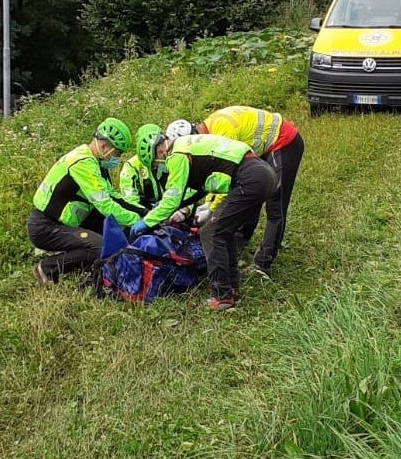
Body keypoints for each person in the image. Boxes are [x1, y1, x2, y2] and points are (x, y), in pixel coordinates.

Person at [132, 127, 277, 311]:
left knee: (210, 233)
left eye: (155, 164)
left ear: (160, 152)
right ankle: (230, 288)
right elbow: (195, 191)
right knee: (224, 231)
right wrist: (169, 209)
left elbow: (172, 198)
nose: (160, 167)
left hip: (250, 179)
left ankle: (222, 295)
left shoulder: (176, 155)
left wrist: (147, 221)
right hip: (263, 173)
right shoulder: (187, 147)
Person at [170, 105, 304, 278]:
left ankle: (263, 264)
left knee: (275, 204)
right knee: (250, 191)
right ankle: (242, 238)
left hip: (284, 140)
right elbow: (214, 177)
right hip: (261, 149)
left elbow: (225, 174)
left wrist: (211, 208)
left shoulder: (223, 131)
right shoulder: (210, 129)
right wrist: (198, 205)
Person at [28, 118, 144, 285]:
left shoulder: (97, 162)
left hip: (71, 220)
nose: (118, 159)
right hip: (46, 227)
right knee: (99, 247)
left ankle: (92, 264)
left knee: (115, 231)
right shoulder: (83, 163)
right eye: (117, 154)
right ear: (104, 146)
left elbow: (113, 196)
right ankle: (47, 268)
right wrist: (136, 220)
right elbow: (105, 205)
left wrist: (144, 213)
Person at [118, 123, 166, 209]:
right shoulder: (131, 167)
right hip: (145, 209)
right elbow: (130, 199)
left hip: (171, 205)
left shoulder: (170, 158)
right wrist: (146, 213)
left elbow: (184, 187)